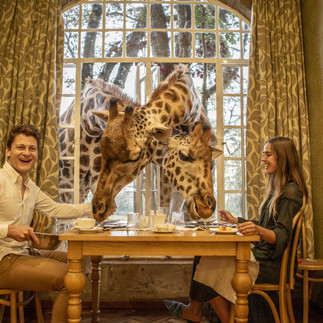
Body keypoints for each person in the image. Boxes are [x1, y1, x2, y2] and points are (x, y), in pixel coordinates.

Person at [164, 136, 308, 323]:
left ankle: (208, 314)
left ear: (283, 158)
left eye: (268, 155)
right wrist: (237, 220)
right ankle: (198, 310)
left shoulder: (290, 192)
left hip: (272, 266)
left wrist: (257, 229)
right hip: (265, 257)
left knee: (208, 263)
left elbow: (280, 236)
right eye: (263, 154)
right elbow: (268, 224)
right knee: (206, 255)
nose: (263, 159)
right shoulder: (279, 189)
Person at [0, 124, 93, 323]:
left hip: (22, 252)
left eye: (32, 149)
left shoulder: (30, 187)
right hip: (3, 259)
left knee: (80, 262)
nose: (26, 153)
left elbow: (55, 209)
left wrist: (91, 209)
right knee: (70, 280)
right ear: (8, 151)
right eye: (20, 147)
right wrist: (7, 230)